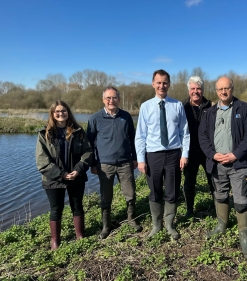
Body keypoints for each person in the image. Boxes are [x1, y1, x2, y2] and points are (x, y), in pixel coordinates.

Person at [198, 77, 247, 260]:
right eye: (220, 89)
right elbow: (203, 136)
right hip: (217, 163)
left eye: (227, 88)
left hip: (237, 163)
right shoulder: (209, 112)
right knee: (220, 195)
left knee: (241, 200)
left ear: (232, 89)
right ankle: (221, 226)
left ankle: (245, 238)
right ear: (216, 91)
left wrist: (235, 154)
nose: (224, 92)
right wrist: (213, 155)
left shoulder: (243, 108)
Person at [135, 69, 190, 240]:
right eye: (158, 82)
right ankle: (156, 225)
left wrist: (184, 154)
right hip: (153, 155)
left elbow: (185, 132)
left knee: (172, 191)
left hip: (173, 154)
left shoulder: (177, 105)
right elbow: (140, 136)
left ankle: (170, 225)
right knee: (155, 191)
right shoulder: (145, 107)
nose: (161, 86)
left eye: (165, 82)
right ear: (153, 84)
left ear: (169, 84)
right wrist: (141, 160)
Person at [36, 100, 93, 250]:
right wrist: (61, 174)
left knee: (77, 206)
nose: (61, 114)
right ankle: (55, 241)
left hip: (76, 176)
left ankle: (80, 236)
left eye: (64, 111)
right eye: (57, 112)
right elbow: (42, 161)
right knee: (56, 208)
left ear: (68, 112)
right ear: (52, 114)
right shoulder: (44, 134)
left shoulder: (78, 132)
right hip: (53, 178)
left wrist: (79, 169)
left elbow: (88, 152)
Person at [87, 86, 142, 239]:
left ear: (119, 99)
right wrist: (93, 164)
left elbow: (133, 138)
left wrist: (135, 158)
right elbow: (89, 144)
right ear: (103, 99)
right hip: (104, 165)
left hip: (125, 163)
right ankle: (106, 225)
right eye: (108, 98)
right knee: (106, 197)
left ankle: (131, 219)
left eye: (114, 98)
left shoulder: (126, 116)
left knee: (130, 194)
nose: (111, 101)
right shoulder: (94, 118)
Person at [182, 76, 214, 217]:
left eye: (198, 88)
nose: (196, 91)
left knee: (213, 180)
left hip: (208, 152)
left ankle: (217, 208)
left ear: (203, 90)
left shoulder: (211, 106)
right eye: (193, 88)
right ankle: (189, 209)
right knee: (189, 182)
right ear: (189, 90)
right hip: (190, 151)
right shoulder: (182, 107)